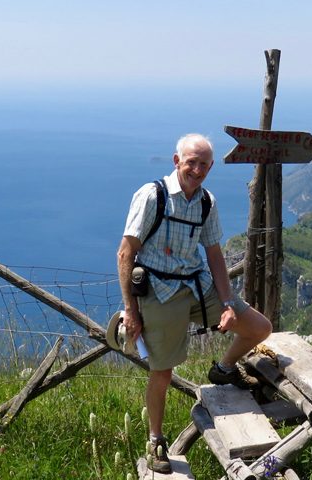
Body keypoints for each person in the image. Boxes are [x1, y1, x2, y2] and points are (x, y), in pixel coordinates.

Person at [117, 133, 272, 474]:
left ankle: (224, 369)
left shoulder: (206, 202)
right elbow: (126, 252)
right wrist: (131, 310)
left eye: (204, 164)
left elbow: (214, 254)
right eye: (191, 162)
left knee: (259, 328)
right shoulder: (153, 195)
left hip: (197, 286)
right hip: (159, 290)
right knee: (163, 371)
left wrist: (229, 303)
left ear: (210, 167)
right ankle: (155, 439)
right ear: (176, 161)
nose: (197, 170)